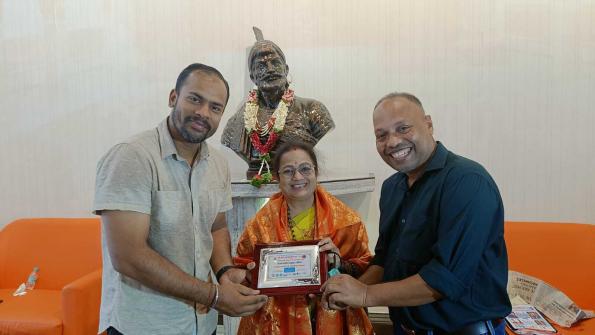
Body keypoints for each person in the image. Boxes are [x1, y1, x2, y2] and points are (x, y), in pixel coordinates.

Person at [93, 63, 268, 335]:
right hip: (146, 325)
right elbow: (128, 256)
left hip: (202, 324)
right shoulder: (132, 157)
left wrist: (224, 272)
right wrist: (214, 296)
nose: (203, 113)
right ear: (173, 97)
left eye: (215, 107)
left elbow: (217, 226)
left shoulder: (218, 165)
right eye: (195, 99)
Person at [321, 93, 512, 335]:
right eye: (381, 135)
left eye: (403, 128)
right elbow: (385, 261)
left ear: (429, 124)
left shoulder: (467, 182)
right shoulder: (392, 188)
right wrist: (349, 290)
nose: (392, 142)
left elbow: (443, 280)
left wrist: (365, 294)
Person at [233, 141, 374, 335]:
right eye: (288, 171)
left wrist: (338, 263)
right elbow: (242, 267)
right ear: (277, 178)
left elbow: (365, 268)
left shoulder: (346, 221)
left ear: (316, 172)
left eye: (305, 169)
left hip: (331, 312)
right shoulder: (260, 224)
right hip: (277, 318)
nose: (298, 177)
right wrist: (252, 274)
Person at [221, 28, 334, 180]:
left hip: (297, 183)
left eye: (275, 62)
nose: (270, 69)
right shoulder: (237, 122)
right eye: (261, 65)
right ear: (252, 77)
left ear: (286, 69)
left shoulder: (313, 110)